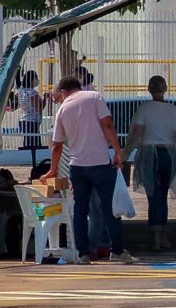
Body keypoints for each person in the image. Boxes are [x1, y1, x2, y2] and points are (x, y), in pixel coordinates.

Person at [40, 75, 136, 264]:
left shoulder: (63, 109)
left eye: (57, 96)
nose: (58, 99)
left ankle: (83, 254)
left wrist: (53, 169)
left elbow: (57, 145)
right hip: (100, 163)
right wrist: (118, 152)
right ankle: (117, 251)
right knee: (110, 209)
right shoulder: (94, 97)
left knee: (80, 210)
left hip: (77, 167)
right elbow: (107, 125)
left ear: (64, 91)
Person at [122, 76, 176, 252]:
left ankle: (156, 238)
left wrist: (124, 155)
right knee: (163, 194)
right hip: (168, 154)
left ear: (149, 89)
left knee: (153, 196)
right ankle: (163, 235)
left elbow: (136, 135)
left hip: (148, 154)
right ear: (165, 88)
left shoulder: (144, 109)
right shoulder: (173, 110)